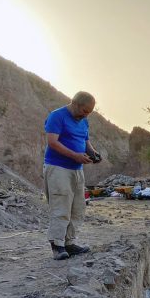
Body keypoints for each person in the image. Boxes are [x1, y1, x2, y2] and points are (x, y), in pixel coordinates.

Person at [43, 91, 101, 260]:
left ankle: (69, 242)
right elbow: (52, 142)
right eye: (85, 110)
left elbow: (85, 141)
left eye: (89, 112)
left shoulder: (84, 120)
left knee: (78, 207)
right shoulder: (57, 116)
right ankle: (57, 245)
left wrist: (94, 154)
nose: (86, 114)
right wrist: (75, 156)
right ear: (75, 103)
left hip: (77, 169)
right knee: (61, 206)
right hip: (58, 168)